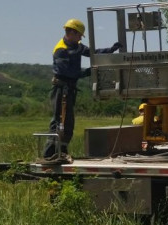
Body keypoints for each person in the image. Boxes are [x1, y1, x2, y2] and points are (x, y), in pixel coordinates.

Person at [42, 18, 121, 163]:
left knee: (68, 121)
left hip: (69, 89)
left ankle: (63, 151)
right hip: (61, 88)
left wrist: (110, 50)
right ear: (71, 32)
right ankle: (49, 153)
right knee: (59, 119)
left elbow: (92, 52)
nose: (80, 38)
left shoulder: (76, 45)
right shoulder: (61, 49)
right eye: (79, 35)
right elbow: (67, 72)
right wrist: (86, 72)